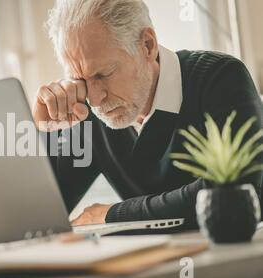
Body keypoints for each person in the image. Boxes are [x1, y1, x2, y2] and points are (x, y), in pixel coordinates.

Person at [33, 0, 263, 229]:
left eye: (103, 74)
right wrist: (46, 131)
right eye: (80, 79)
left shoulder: (220, 77)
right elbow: (39, 213)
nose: (94, 99)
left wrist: (117, 214)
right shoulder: (87, 111)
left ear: (147, 45)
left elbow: (233, 191)